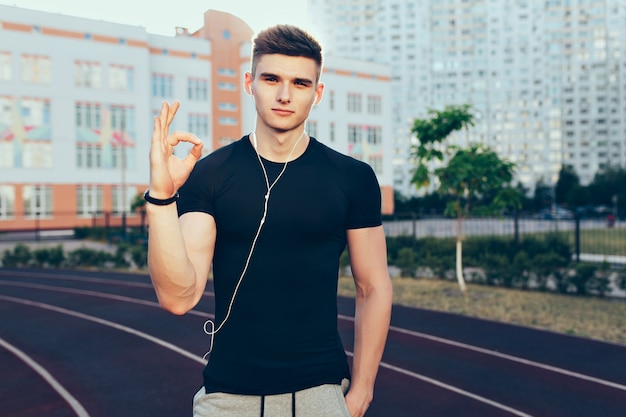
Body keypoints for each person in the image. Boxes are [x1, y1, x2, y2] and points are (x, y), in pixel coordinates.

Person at [146, 24, 393, 417]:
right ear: (249, 82)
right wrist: (161, 197)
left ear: (318, 93)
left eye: (299, 83)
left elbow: (373, 286)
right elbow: (178, 298)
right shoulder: (209, 174)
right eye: (271, 78)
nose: (283, 94)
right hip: (227, 399)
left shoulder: (352, 177)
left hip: (320, 394)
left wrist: (361, 391)